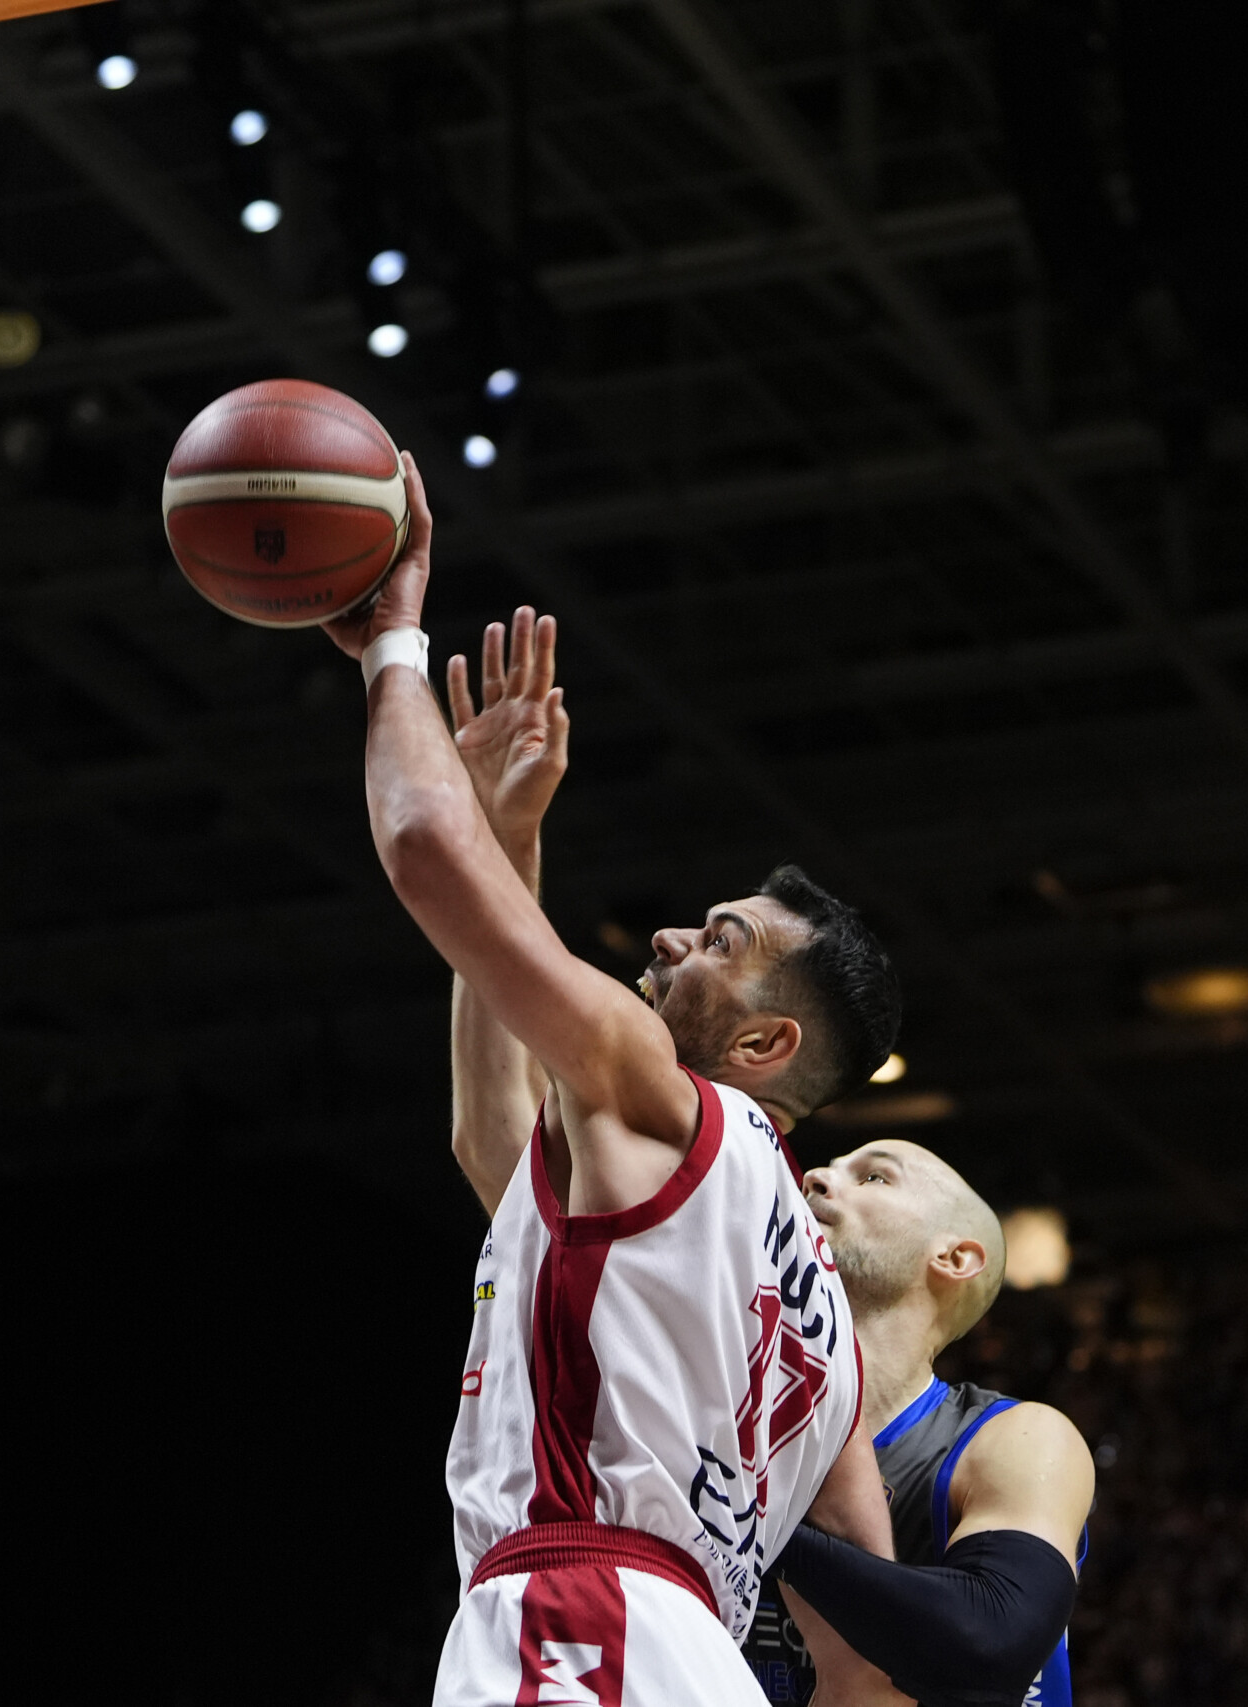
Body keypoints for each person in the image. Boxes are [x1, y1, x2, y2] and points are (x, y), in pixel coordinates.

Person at [323, 456, 903, 1707]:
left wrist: (392, 648)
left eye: (721, 943)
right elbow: (498, 1150)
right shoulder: (827, 1338)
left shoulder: (657, 1092)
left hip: (578, 1621)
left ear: (763, 1050)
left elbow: (422, 849)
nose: (669, 941)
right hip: (694, 1659)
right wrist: (514, 839)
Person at [743, 1142, 1095, 1707]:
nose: (815, 1177)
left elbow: (987, 1642)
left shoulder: (1016, 1438)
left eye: (876, 1177)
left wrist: (755, 1528)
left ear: (956, 1257)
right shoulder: (730, 1428)